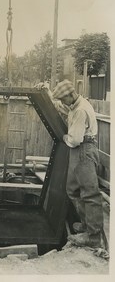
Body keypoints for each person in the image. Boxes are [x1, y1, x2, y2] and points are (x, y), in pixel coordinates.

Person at [35, 79, 104, 248]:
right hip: (79, 150)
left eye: (63, 99)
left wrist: (64, 137)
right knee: (72, 189)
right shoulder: (74, 105)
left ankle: (94, 236)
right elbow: (63, 108)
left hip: (83, 149)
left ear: (71, 95)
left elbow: (73, 140)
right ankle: (87, 225)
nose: (62, 103)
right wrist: (48, 92)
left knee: (90, 193)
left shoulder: (80, 110)